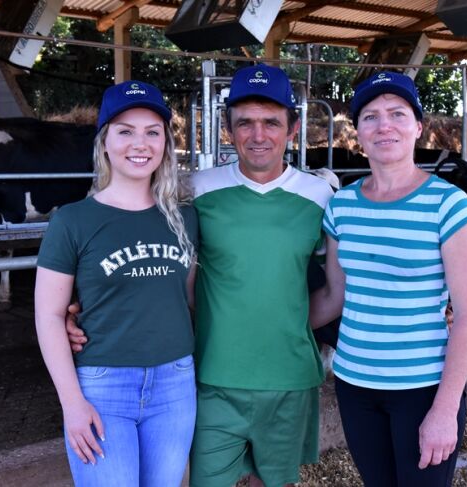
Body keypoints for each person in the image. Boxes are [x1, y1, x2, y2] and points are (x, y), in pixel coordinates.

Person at [67, 64, 335, 487]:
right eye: (244, 122)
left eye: (271, 122)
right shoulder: (194, 191)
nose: (258, 134)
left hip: (290, 377)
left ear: (294, 127)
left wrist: (284, 327)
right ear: (227, 129)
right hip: (210, 376)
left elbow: (340, 285)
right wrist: (78, 310)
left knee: (279, 481)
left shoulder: (321, 195)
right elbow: (155, 263)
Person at [309, 71, 467, 486]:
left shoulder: (449, 205)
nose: (383, 125)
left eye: (397, 114)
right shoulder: (342, 206)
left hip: (423, 388)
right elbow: (334, 296)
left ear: (418, 126)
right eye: (370, 116)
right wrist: (274, 329)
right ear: (358, 132)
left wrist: (444, 411)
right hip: (354, 384)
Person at [34, 80, 199, 487]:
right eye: (125, 131)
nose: (139, 143)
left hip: (175, 383)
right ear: (104, 141)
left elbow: (187, 300)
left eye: (152, 132)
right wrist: (72, 404)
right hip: (103, 388)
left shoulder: (186, 218)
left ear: (165, 143)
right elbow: (49, 315)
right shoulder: (73, 220)